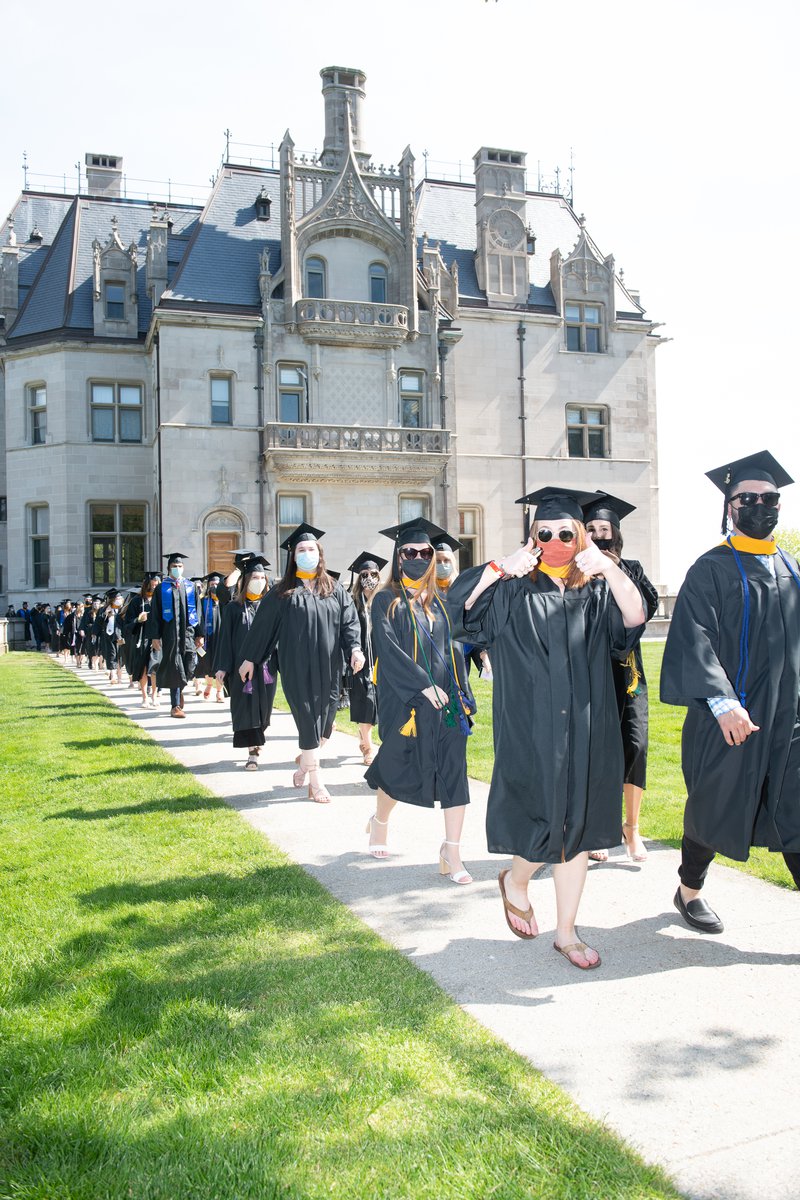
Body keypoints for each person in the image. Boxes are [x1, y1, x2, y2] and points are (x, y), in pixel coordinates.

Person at [449, 487, 646, 969]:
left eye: (566, 532)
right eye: (546, 532)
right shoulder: (513, 588)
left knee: (576, 825)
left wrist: (609, 567)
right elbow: (458, 615)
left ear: (580, 536)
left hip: (587, 724)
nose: (556, 539)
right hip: (530, 724)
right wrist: (499, 567)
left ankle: (566, 932)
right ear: (532, 536)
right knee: (543, 817)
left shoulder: (596, 588)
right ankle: (516, 880)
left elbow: (635, 619)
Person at [660, 451, 800, 934]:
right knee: (713, 806)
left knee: (797, 807)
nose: (760, 505)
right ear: (730, 506)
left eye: (770, 498)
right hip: (728, 717)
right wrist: (722, 702)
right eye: (748, 498)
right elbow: (693, 638)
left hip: (788, 719)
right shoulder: (711, 569)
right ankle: (689, 890)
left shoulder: (791, 568)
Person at [364, 518, 476, 883]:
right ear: (398, 557)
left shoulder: (442, 602)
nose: (417, 557)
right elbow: (387, 647)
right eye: (409, 552)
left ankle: (452, 852)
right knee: (398, 768)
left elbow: (455, 649)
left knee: (455, 774)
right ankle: (380, 822)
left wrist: (464, 693)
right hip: (406, 699)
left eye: (424, 552)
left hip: (447, 701)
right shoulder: (385, 600)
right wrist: (422, 684)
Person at [238, 524, 364, 803]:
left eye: (311, 549)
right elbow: (263, 628)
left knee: (325, 724)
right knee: (308, 720)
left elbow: (349, 623)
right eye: (301, 550)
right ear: (293, 557)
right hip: (297, 668)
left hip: (331, 668)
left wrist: (355, 649)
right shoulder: (282, 593)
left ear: (320, 555)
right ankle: (316, 782)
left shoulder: (333, 589)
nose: (307, 553)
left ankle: (305, 763)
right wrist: (250, 658)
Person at [582, 492, 660, 863]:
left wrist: (614, 569)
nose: (599, 535)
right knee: (600, 749)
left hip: (628, 672)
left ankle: (632, 829)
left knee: (636, 745)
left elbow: (646, 607)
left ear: (616, 532)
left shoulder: (632, 568)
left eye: (605, 528)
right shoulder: (577, 571)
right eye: (592, 529)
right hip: (591, 671)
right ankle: (600, 826)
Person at [214, 554, 277, 769]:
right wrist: (222, 667)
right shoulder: (233, 608)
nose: (258, 582)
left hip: (267, 667)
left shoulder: (271, 607)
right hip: (241, 669)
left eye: (262, 578)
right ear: (245, 581)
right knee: (246, 709)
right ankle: (253, 752)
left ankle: (258, 739)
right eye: (254, 577)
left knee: (264, 712)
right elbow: (225, 640)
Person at [146, 553, 203, 718]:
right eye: (174, 567)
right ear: (168, 568)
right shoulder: (161, 588)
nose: (177, 569)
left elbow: (197, 613)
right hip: (170, 634)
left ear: (183, 568)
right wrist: (155, 636)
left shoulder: (190, 586)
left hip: (188, 634)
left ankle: (180, 687)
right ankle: (175, 705)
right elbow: (155, 614)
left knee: (190, 664)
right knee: (174, 668)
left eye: (179, 566)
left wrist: (200, 634)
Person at [346, 551, 387, 766]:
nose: (369, 577)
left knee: (381, 703)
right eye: (364, 573)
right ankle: (367, 746)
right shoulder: (352, 601)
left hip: (383, 659)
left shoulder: (386, 598)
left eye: (373, 573)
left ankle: (366, 738)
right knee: (365, 701)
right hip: (360, 659)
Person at [124, 572, 161, 707]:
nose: (153, 587)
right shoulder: (136, 601)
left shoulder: (161, 600)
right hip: (141, 638)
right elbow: (127, 623)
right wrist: (138, 620)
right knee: (144, 668)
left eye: (156, 585)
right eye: (151, 585)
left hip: (156, 638)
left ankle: (154, 695)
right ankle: (145, 697)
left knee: (155, 668)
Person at [196, 572, 226, 702]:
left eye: (217, 584)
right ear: (208, 586)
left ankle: (219, 692)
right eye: (212, 584)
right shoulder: (203, 601)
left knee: (221, 664)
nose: (214, 586)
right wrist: (200, 635)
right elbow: (199, 618)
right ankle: (209, 685)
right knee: (207, 664)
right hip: (208, 638)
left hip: (221, 638)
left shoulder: (225, 601)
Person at [98, 590, 125, 683]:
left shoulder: (123, 609)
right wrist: (106, 614)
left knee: (120, 656)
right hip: (109, 635)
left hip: (120, 635)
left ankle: (120, 677)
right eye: (117, 598)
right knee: (111, 654)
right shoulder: (104, 609)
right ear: (112, 600)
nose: (119, 600)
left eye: (120, 598)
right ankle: (113, 676)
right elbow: (99, 622)